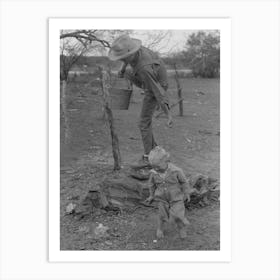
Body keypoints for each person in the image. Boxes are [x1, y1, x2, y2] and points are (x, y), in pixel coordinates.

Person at [108, 35, 173, 168]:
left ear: (130, 54)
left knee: (143, 122)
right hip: (151, 77)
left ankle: (149, 158)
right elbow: (128, 61)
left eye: (123, 59)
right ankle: (155, 154)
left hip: (156, 84)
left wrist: (168, 112)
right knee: (145, 122)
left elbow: (157, 90)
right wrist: (123, 69)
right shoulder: (135, 51)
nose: (122, 60)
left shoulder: (144, 68)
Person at [145, 146, 192, 239]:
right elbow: (151, 185)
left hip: (176, 198)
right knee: (161, 215)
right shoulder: (153, 173)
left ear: (166, 161)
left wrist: (187, 193)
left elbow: (184, 182)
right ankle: (160, 229)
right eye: (153, 167)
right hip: (162, 199)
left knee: (178, 215)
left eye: (157, 166)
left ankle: (181, 228)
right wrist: (151, 195)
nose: (156, 169)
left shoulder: (176, 171)